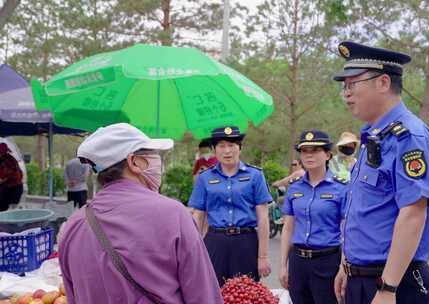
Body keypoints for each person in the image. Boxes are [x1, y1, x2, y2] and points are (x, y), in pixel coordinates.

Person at [59, 123, 223, 304]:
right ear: (135, 162)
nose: (158, 162)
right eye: (153, 156)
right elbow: (204, 296)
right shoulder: (173, 215)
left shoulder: (73, 225)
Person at [332, 41, 429, 304]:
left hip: (394, 284)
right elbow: (363, 212)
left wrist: (388, 288)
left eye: (352, 84)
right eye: (343, 86)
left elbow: (413, 214)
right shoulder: (374, 137)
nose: (346, 93)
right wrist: (346, 264)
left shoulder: (409, 137)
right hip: (360, 280)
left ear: (382, 83)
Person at [189, 126, 273, 286]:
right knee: (213, 290)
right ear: (214, 149)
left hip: (246, 242)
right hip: (215, 242)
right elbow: (198, 216)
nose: (227, 151)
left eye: (232, 145)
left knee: (245, 293)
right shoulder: (204, 178)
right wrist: (194, 253)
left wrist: (263, 256)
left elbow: (263, 218)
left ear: (240, 148)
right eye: (221, 146)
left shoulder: (255, 175)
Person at [279, 130, 348, 304]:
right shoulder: (294, 188)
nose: (309, 155)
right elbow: (288, 228)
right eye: (305, 151)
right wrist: (283, 265)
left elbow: (348, 231)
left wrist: (343, 267)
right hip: (298, 262)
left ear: (327, 155)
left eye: (315, 150)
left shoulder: (341, 188)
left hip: (327, 262)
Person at [0, 143, 24, 211]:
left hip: (11, 189)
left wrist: (3, 181)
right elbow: (20, 174)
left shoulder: (3, 160)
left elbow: (9, 175)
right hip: (18, 187)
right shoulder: (11, 158)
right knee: (11, 210)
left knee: (3, 211)